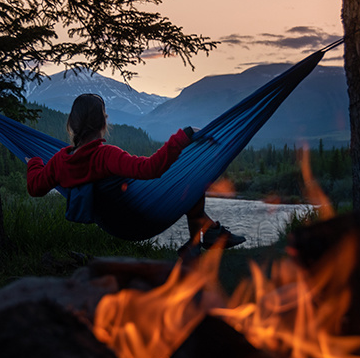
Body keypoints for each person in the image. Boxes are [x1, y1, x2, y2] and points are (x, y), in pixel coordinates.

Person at [25, 93, 245, 259]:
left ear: (71, 125)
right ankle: (204, 238)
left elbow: (35, 187)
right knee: (191, 179)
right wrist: (184, 135)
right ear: (104, 123)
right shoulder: (106, 156)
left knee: (188, 183)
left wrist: (34, 162)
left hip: (115, 223)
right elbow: (151, 169)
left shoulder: (59, 162)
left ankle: (203, 239)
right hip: (140, 218)